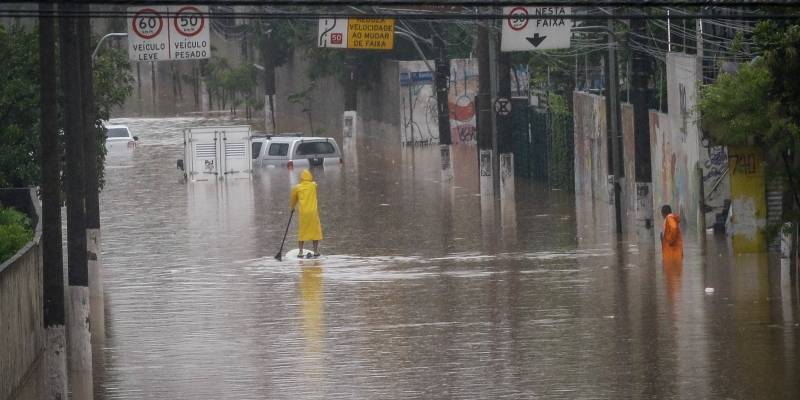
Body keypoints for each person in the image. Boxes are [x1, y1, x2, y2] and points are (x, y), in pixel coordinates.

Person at [290, 169, 323, 258]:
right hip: (313, 213)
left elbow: (293, 199)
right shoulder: (313, 186)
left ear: (301, 178)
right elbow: (315, 184)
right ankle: (315, 251)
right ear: (310, 177)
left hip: (304, 214)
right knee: (315, 232)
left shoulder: (297, 188)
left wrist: (292, 208)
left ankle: (300, 252)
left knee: (302, 232)